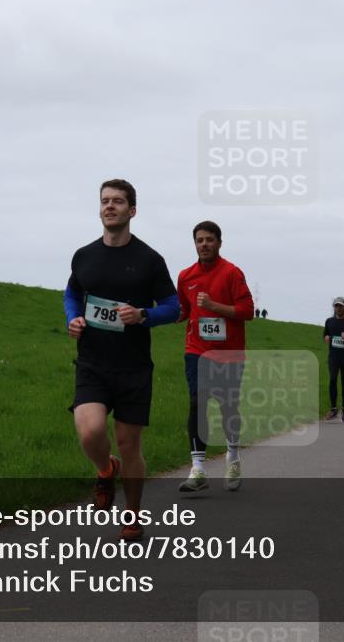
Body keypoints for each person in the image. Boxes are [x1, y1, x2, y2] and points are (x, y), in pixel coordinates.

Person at [64, 179, 180, 541]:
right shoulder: (84, 255)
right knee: (90, 430)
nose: (109, 206)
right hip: (93, 363)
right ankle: (104, 468)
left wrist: (143, 315)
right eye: (104, 201)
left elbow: (174, 308)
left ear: (132, 210)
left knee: (130, 446)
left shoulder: (149, 260)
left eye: (117, 201)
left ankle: (132, 515)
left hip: (133, 367)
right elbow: (72, 292)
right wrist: (73, 317)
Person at [176, 221, 255, 493]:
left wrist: (213, 306)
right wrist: (157, 314)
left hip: (229, 353)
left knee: (227, 407)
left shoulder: (232, 273)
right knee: (198, 402)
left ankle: (232, 455)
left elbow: (247, 310)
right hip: (196, 350)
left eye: (210, 239)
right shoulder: (185, 276)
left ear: (219, 243)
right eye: (199, 240)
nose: (204, 244)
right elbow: (183, 310)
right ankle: (198, 469)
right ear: (194, 244)